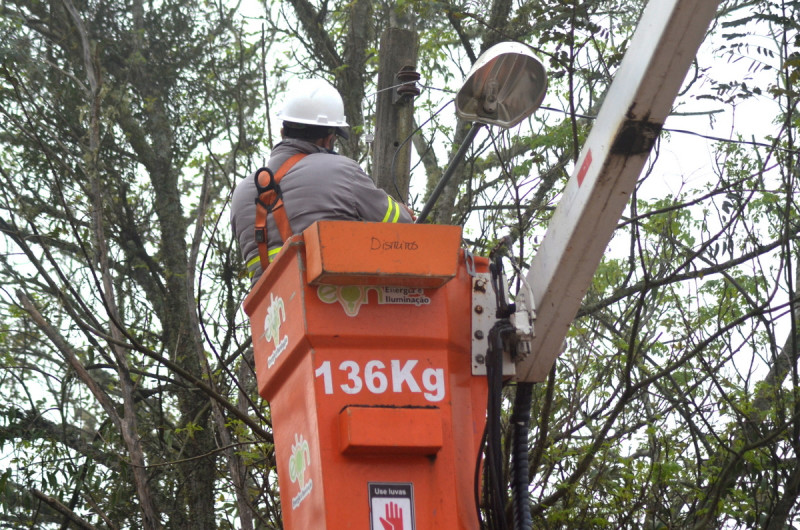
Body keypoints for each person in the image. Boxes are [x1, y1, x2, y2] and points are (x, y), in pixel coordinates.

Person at [231, 78, 414, 284]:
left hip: (270, 304)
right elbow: (402, 226)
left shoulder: (241, 194)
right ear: (329, 139)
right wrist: (401, 211)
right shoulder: (341, 171)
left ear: (283, 133)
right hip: (333, 299)